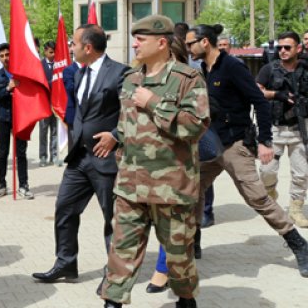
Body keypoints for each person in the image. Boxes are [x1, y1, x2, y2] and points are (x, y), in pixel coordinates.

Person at [101, 15, 209, 308]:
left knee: (178, 258)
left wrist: (152, 102)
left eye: (140, 39)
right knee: (121, 253)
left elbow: (195, 126)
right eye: (134, 39)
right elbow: (125, 128)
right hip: (130, 187)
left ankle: (185, 300)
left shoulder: (188, 79)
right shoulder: (130, 79)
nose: (135, 44)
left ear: (162, 43)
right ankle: (112, 302)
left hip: (171, 189)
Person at [187, 24, 308, 277]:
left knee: (257, 198)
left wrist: (264, 141)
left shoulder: (232, 66)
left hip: (235, 145)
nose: (188, 48)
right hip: (210, 146)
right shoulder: (204, 69)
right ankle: (193, 242)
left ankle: (298, 244)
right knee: (192, 191)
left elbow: (259, 102)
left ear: (205, 42)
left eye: (191, 44)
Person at [32, 24, 128, 283]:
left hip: (106, 159)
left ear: (88, 47)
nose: (70, 48)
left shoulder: (120, 73)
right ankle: (66, 263)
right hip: (79, 158)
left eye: (73, 44)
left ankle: (116, 273)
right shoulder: (79, 72)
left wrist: (116, 135)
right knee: (64, 209)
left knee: (112, 218)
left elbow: (132, 113)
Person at [255, 32, 308, 227]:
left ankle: (295, 210)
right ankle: (270, 192)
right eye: (280, 48)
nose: (282, 51)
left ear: (298, 49)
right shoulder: (269, 68)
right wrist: (277, 94)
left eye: (287, 47)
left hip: (299, 128)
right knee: (267, 171)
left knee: (301, 173)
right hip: (274, 128)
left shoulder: (305, 68)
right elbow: (256, 90)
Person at [0, 43, 33, 199]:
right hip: (3, 118)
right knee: (3, 153)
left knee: (21, 152)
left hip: (20, 118)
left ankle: (23, 185)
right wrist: (8, 88)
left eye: (7, 54)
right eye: (2, 56)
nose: (5, 58)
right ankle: (1, 184)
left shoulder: (21, 73)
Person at [39, 41, 59, 167]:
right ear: (45, 51)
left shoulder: (59, 65)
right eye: (51, 52)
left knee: (55, 131)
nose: (53, 54)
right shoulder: (40, 65)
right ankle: (43, 156)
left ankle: (54, 155)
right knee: (43, 131)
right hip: (44, 103)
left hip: (56, 104)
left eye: (55, 52)